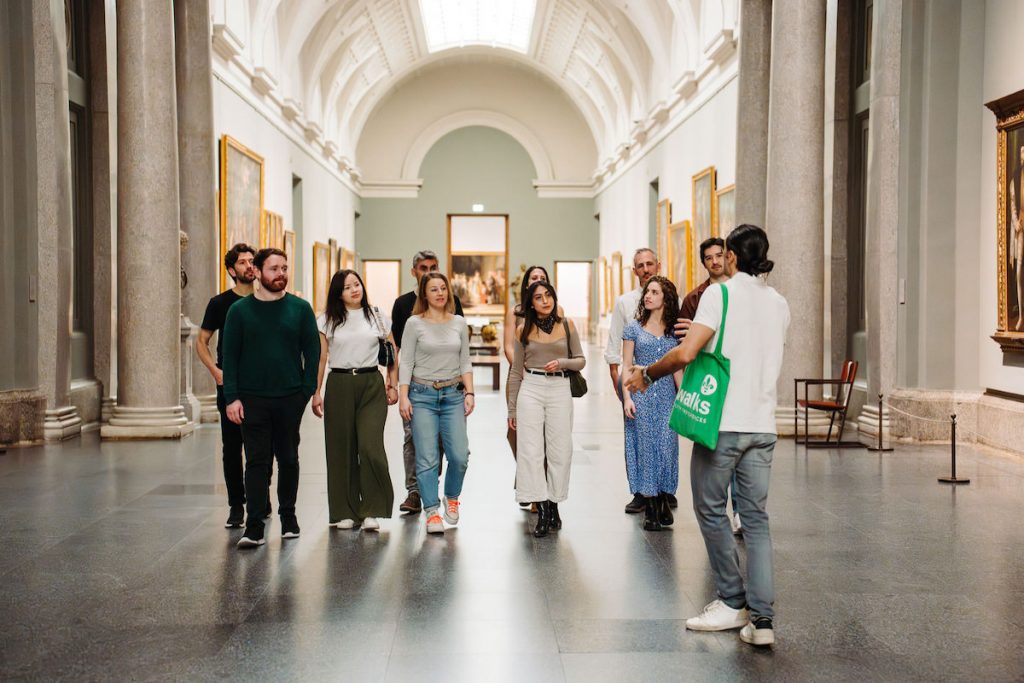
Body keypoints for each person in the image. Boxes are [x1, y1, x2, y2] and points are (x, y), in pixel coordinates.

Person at [624, 225, 790, 647]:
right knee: (755, 519)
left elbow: (686, 352)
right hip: (762, 425)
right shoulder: (779, 303)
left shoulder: (721, 295)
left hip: (723, 423)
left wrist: (646, 374)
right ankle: (763, 622)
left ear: (732, 256)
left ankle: (732, 601)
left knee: (711, 509)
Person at [222, 248, 320, 549]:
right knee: (256, 461)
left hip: (290, 397)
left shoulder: (300, 309)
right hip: (252, 399)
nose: (281, 274)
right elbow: (230, 356)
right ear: (259, 272)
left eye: (285, 268)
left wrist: (306, 391)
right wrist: (232, 398)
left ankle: (288, 516)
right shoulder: (239, 311)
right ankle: (254, 525)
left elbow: (312, 351)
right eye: (274, 268)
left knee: (289, 458)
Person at [311, 270, 398, 532]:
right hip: (339, 383)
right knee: (341, 449)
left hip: (371, 383)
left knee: (371, 447)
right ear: (338, 293)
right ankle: (345, 511)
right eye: (347, 287)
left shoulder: (378, 316)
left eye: (356, 284)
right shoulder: (327, 320)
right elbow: (321, 358)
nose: (354, 290)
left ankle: (371, 509)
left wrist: (392, 383)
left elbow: (392, 353)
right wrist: (317, 392)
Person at [196, 243, 271, 528]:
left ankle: (261, 497)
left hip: (261, 384)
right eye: (243, 262)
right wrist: (216, 372)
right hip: (230, 383)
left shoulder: (266, 299)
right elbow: (201, 342)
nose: (249, 266)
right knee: (232, 446)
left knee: (264, 444)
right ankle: (237, 505)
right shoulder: (220, 303)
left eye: (253, 261)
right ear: (232, 269)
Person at [398, 272, 474, 535]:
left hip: (453, 394)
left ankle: (451, 497)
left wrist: (470, 393)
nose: (440, 293)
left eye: (443, 288)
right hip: (422, 395)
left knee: (460, 456)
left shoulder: (459, 323)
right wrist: (404, 395)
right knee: (427, 457)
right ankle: (431, 511)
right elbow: (405, 361)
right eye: (434, 289)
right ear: (424, 294)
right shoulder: (414, 324)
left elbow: (465, 360)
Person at [507, 281, 585, 537]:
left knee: (560, 449)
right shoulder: (522, 330)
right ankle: (540, 508)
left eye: (548, 295)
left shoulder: (567, 324)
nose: (545, 301)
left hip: (560, 387)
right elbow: (516, 371)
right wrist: (512, 410)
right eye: (538, 297)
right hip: (531, 387)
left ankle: (554, 503)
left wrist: (562, 362)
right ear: (530, 303)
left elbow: (580, 360)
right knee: (530, 450)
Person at [391, 250, 465, 514]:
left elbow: (460, 348)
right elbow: (399, 351)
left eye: (433, 267)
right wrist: (398, 388)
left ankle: (433, 488)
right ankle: (415, 492)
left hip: (449, 389)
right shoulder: (403, 305)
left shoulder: (453, 302)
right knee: (414, 440)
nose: (428, 271)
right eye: (423, 267)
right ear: (414, 272)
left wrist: (466, 390)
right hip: (417, 389)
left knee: (448, 445)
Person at [678, 237, 742, 535]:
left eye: (720, 255)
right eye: (709, 258)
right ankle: (718, 512)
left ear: (729, 257)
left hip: (739, 376)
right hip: (710, 381)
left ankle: (739, 511)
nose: (715, 261)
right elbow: (684, 343)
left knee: (740, 449)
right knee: (715, 451)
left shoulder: (742, 291)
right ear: (703, 262)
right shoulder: (694, 298)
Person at [604, 248, 672, 514]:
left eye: (650, 264)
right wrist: (619, 386)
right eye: (640, 266)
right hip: (634, 379)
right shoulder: (625, 303)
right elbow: (615, 348)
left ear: (658, 264)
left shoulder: (670, 299)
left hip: (664, 380)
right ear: (634, 271)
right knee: (637, 437)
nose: (646, 269)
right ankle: (641, 491)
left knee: (666, 436)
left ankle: (663, 489)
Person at [621, 276, 683, 532]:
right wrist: (626, 398)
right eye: (647, 292)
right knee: (646, 449)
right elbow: (626, 366)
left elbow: (678, 368)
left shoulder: (674, 331)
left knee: (667, 448)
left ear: (665, 298)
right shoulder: (633, 328)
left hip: (667, 396)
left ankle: (661, 500)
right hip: (641, 396)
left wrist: (683, 400)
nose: (648, 296)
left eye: (654, 292)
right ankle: (650, 508)